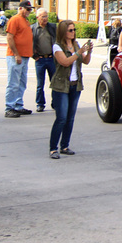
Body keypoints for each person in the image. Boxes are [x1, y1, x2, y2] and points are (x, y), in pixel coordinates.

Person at [48, 20, 93, 159]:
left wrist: (88, 52)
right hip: (61, 86)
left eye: (74, 30)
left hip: (75, 85)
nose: (73, 33)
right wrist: (79, 52)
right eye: (70, 30)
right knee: (61, 118)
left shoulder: (76, 45)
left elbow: (85, 61)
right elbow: (65, 62)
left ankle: (65, 146)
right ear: (63, 32)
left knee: (70, 118)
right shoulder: (57, 47)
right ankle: (53, 148)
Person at [4, 1, 35, 118]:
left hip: (25, 56)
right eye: (27, 9)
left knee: (21, 83)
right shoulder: (15, 20)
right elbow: (10, 38)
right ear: (20, 8)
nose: (29, 11)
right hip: (16, 56)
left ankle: (18, 105)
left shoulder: (25, 21)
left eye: (30, 9)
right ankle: (9, 107)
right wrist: (16, 54)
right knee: (13, 83)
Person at [31, 9, 57, 113]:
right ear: (37, 18)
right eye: (43, 17)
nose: (45, 18)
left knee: (54, 82)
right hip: (40, 60)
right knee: (40, 84)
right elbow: (29, 43)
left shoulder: (52, 27)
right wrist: (34, 56)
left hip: (51, 59)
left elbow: (58, 40)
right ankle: (40, 104)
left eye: (46, 16)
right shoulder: (33, 28)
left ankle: (56, 103)